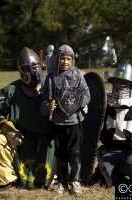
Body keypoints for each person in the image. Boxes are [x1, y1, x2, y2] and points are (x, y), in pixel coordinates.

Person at [0, 47, 56, 190]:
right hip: (21, 139)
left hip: (49, 140)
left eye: (36, 67)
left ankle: (66, 177)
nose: (33, 71)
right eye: (28, 68)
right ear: (21, 70)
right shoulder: (11, 90)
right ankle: (5, 179)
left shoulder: (51, 85)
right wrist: (8, 129)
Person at [40, 44, 91, 195]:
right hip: (58, 122)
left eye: (69, 59)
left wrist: (78, 104)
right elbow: (45, 101)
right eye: (62, 58)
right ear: (57, 59)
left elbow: (87, 95)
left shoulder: (78, 76)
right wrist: (48, 106)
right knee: (61, 154)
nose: (65, 62)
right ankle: (61, 180)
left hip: (75, 122)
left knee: (75, 153)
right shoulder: (51, 78)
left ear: (72, 60)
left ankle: (74, 180)